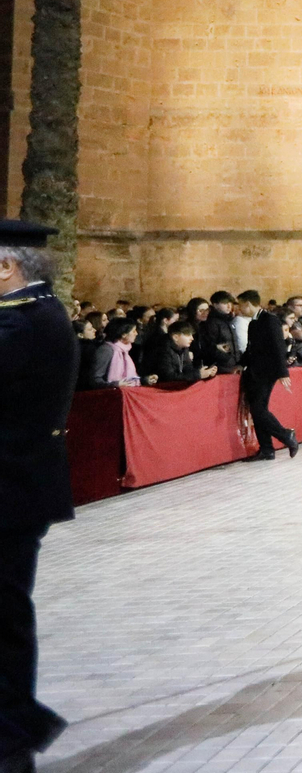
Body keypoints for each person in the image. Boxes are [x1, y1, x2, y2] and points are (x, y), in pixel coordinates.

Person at [0, 221, 76, 772]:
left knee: (3, 621)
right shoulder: (40, 314)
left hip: (7, 493)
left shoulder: (22, 324)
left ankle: (14, 737)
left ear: (7, 267)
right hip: (18, 490)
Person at [236, 291, 299, 461]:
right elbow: (251, 348)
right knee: (258, 410)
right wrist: (241, 363)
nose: (239, 309)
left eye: (241, 304)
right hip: (255, 372)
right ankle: (267, 449)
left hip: (266, 372)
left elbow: (278, 346)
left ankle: (286, 435)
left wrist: (282, 372)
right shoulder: (253, 323)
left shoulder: (270, 320)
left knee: (258, 409)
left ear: (249, 303)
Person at [149, 321, 218, 385]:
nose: (192, 338)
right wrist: (198, 375)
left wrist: (204, 373)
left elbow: (187, 368)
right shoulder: (163, 350)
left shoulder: (184, 348)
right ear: (176, 337)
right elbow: (168, 376)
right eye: (188, 335)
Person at [86, 319, 143, 390]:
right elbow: (94, 378)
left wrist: (145, 380)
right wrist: (114, 385)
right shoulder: (106, 350)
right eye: (133, 331)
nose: (136, 333)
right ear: (123, 334)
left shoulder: (125, 350)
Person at [198, 291, 241, 373]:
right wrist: (226, 359)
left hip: (233, 365)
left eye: (230, 303)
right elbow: (208, 346)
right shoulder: (211, 323)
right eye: (225, 303)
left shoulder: (228, 320)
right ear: (215, 304)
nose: (229, 306)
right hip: (221, 367)